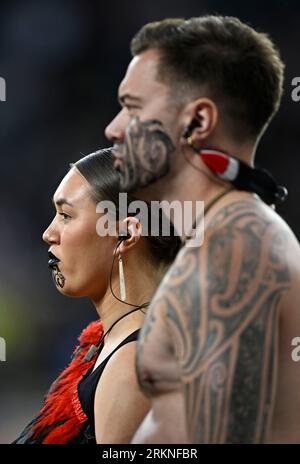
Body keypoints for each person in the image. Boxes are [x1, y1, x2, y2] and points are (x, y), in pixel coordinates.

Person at [105, 16, 300, 443]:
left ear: (197, 122)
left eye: (132, 107)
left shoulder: (231, 254)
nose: (113, 129)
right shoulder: (231, 236)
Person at [13, 148, 181, 444]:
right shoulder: (112, 346)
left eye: (65, 215)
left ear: (126, 235)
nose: (48, 233)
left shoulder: (133, 370)